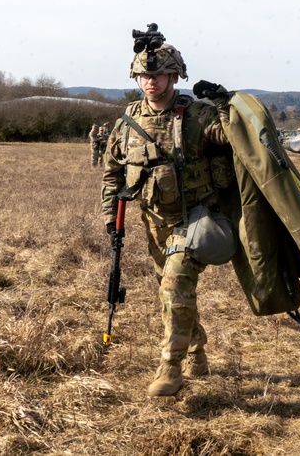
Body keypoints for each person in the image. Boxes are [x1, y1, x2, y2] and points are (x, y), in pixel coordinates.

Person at [101, 26, 231, 396]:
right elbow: (112, 174)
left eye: (157, 75)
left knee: (174, 287)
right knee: (170, 292)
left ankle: (170, 369)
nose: (150, 82)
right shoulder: (126, 124)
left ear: (174, 76)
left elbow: (234, 138)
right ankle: (197, 349)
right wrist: (111, 218)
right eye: (143, 75)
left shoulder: (198, 116)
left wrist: (225, 105)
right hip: (154, 222)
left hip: (197, 219)